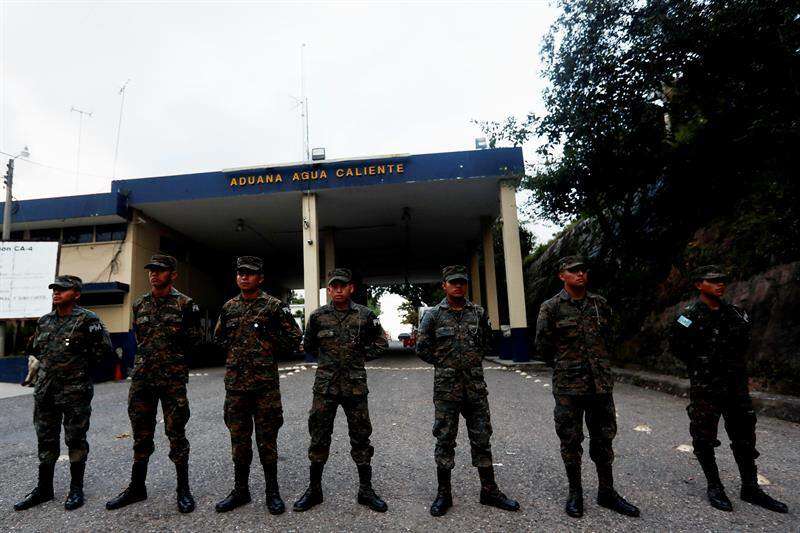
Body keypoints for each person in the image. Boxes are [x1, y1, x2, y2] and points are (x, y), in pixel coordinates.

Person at [668, 265, 788, 513]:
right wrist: (702, 366)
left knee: (744, 437)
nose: (720, 284)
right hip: (706, 387)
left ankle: (750, 487)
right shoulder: (687, 316)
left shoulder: (736, 314)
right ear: (699, 285)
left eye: (722, 280)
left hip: (735, 386)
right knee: (704, 438)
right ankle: (715, 486)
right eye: (713, 281)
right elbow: (678, 347)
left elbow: (744, 345)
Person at [535, 255, 639, 519]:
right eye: (573, 271)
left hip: (600, 386)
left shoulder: (599, 304)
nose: (580, 274)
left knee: (604, 439)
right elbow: (543, 346)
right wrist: (565, 365)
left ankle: (607, 491)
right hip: (569, 388)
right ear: (562, 275)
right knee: (571, 441)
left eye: (582, 270)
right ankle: (575, 493)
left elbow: (611, 337)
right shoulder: (551, 307)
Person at [416, 265, 519, 517]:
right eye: (453, 282)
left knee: (482, 438)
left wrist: (471, 361)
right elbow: (422, 347)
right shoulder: (433, 315)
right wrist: (445, 364)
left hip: (474, 388)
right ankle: (444, 493)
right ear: (444, 285)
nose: (458, 285)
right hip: (447, 389)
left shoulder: (478, 313)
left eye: (462, 281)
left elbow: (485, 342)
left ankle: (489, 490)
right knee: (445, 439)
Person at [106, 254, 202, 514]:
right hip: (143, 380)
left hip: (172, 380)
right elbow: (140, 337)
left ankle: (183, 490)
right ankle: (137, 487)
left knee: (176, 434)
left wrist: (174, 362)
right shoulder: (140, 304)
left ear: (173, 274)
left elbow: (195, 340)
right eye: (151, 270)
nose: (153, 274)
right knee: (141, 434)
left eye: (160, 270)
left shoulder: (185, 304)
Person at [14, 275, 113, 512]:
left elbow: (104, 351)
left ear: (76, 294)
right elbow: (37, 349)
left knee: (75, 440)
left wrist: (79, 371)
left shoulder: (88, 320)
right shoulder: (45, 321)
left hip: (75, 392)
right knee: (46, 439)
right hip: (46, 391)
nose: (56, 293)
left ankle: (76, 489)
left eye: (62, 289)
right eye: (54, 289)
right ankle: (44, 489)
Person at [293, 268, 388, 513]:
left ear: (351, 288)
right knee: (319, 437)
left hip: (355, 387)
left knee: (361, 437)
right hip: (325, 387)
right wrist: (329, 362)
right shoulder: (318, 317)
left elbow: (381, 342)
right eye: (333, 286)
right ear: (329, 288)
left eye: (342, 286)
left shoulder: (365, 315)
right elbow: (310, 345)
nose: (337, 290)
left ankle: (366, 490)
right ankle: (314, 490)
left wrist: (360, 357)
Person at [213, 256, 301, 515]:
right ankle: (241, 491)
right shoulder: (229, 307)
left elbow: (294, 338)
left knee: (267, 442)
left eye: (250, 274)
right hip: (237, 387)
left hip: (265, 387)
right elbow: (218, 338)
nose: (244, 277)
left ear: (260, 278)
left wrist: (268, 342)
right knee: (239, 442)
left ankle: (272, 493)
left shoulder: (274, 306)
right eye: (240, 273)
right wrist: (236, 351)